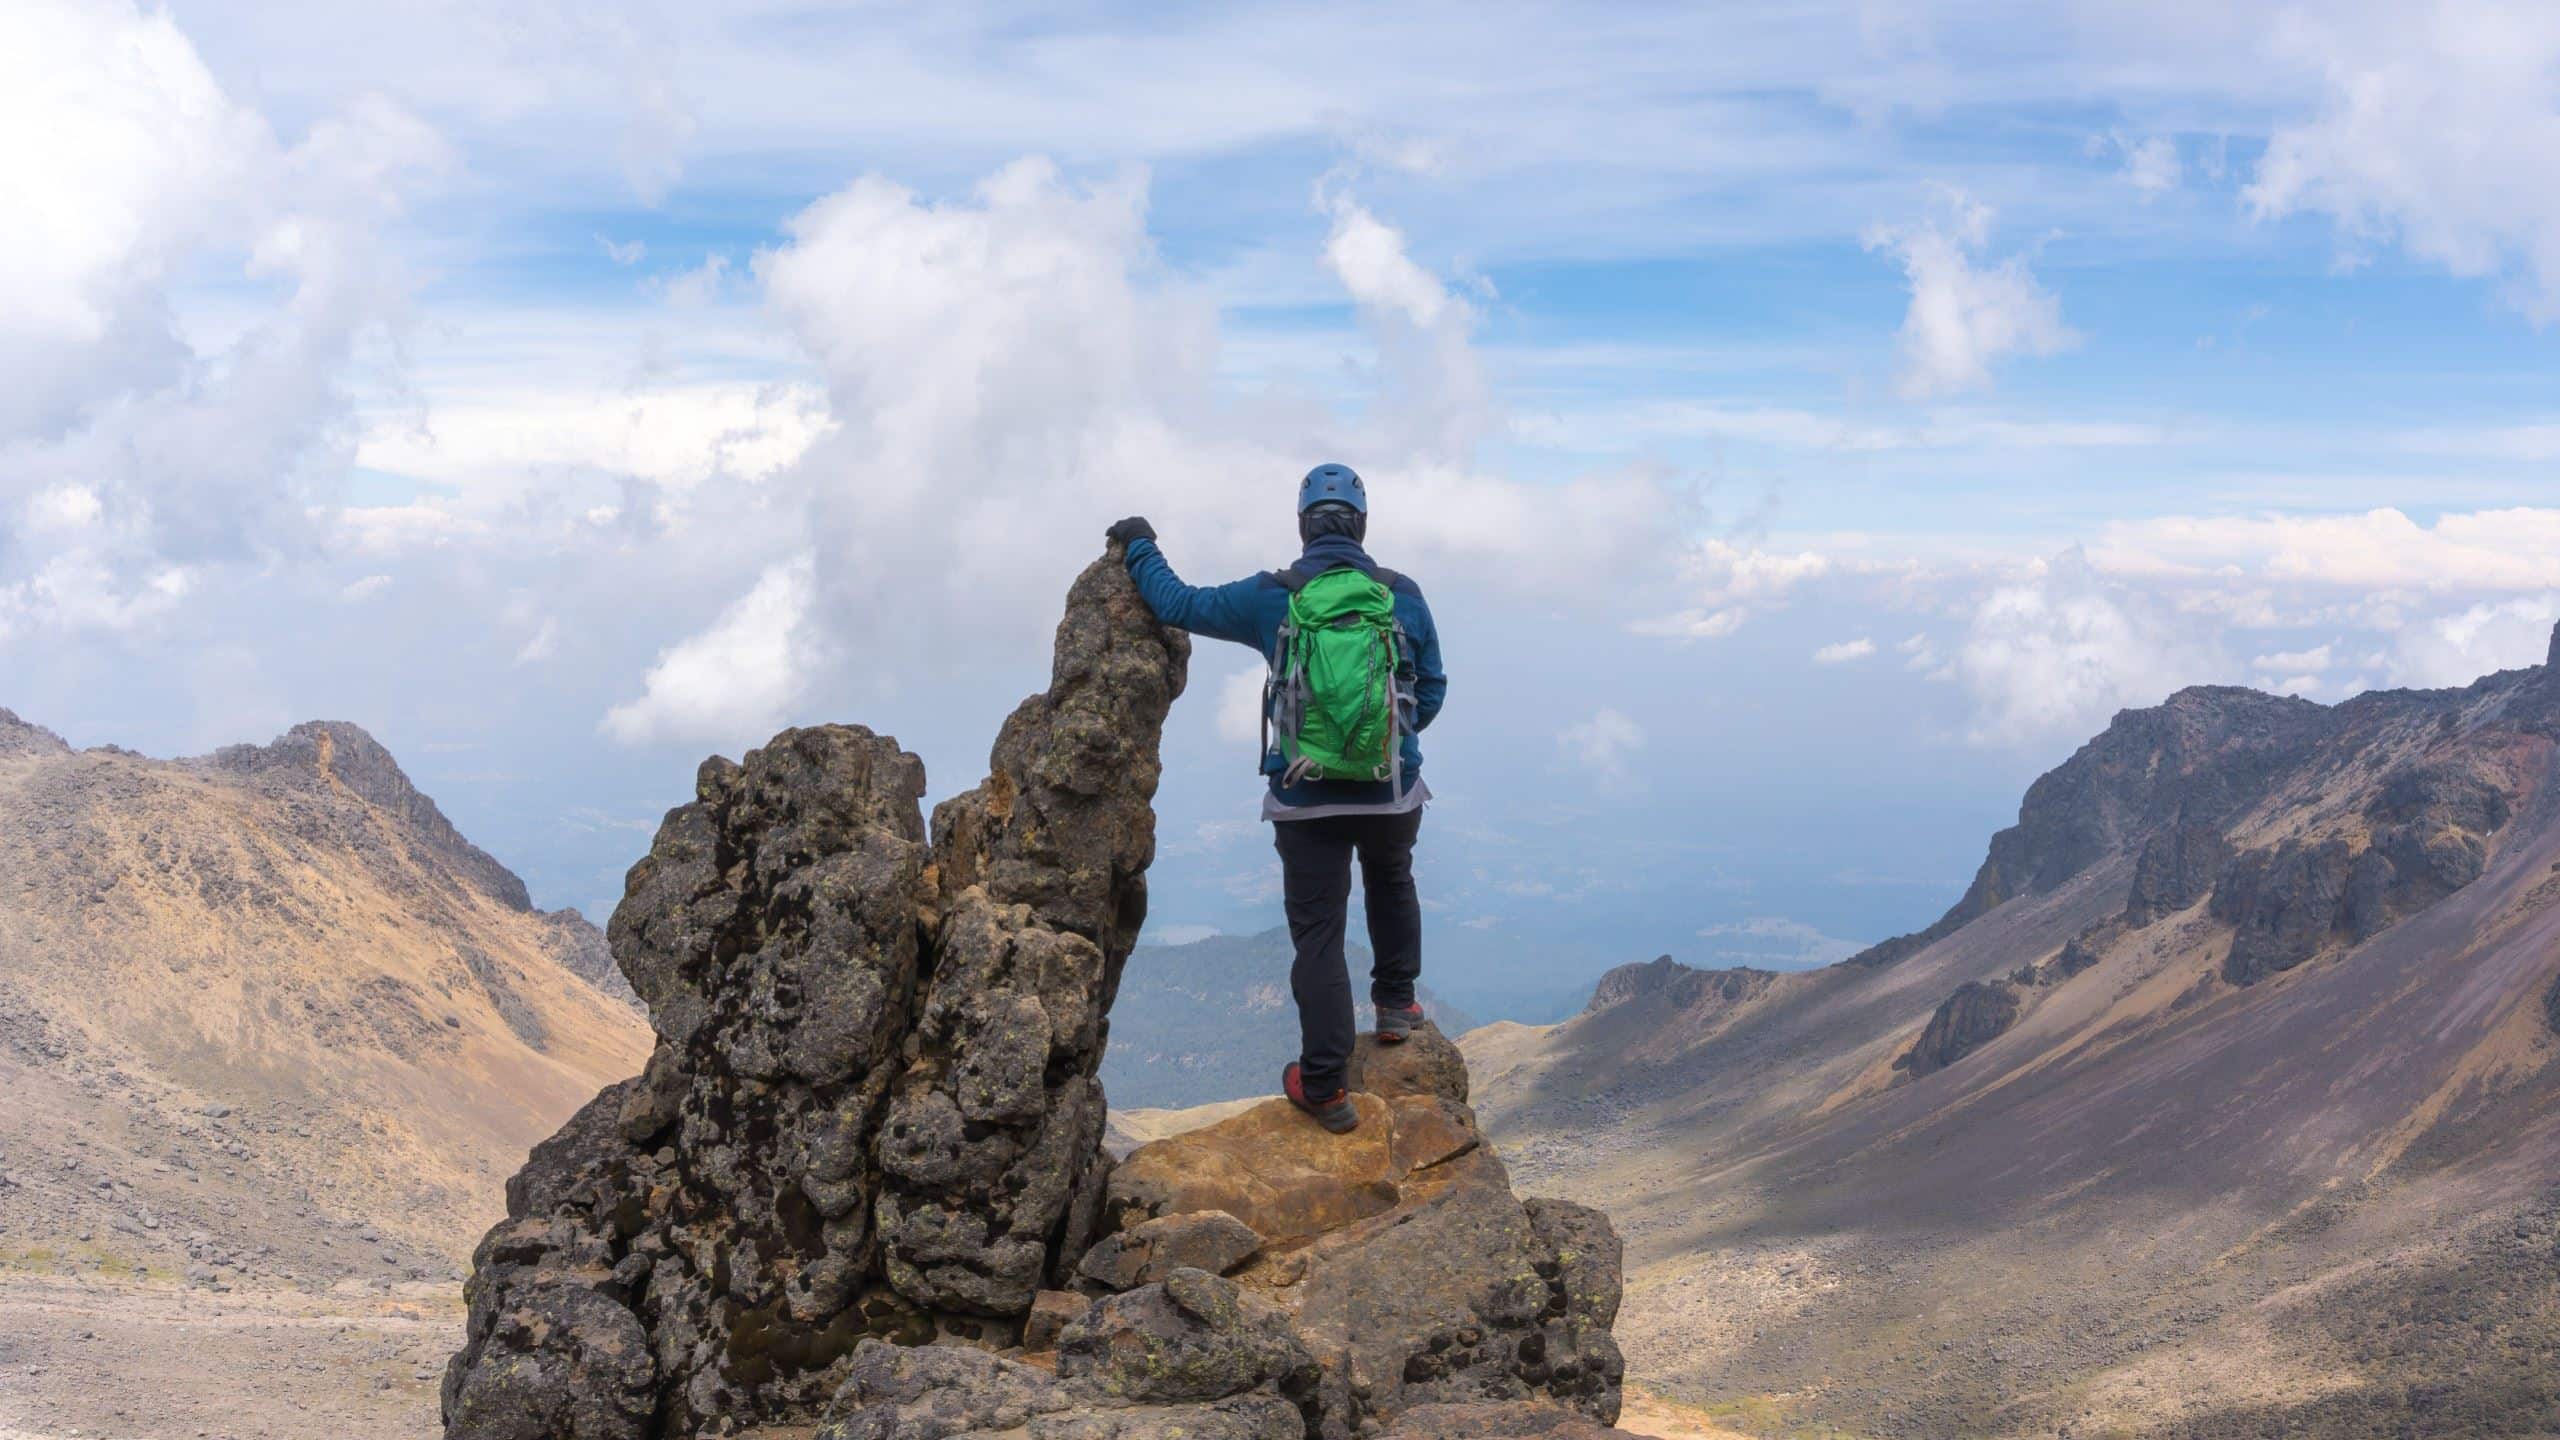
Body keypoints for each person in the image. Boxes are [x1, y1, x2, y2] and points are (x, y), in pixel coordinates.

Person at [1107, 464, 1445, 1133]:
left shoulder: (1274, 598)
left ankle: (1323, 1085)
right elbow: (1429, 690)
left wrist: (1138, 543)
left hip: (1305, 797)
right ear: (1363, 525)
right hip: (1390, 791)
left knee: (1319, 935)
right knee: (1392, 879)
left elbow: (1175, 604)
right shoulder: (1402, 596)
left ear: (1302, 525)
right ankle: (1397, 1006)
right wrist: (1385, 740)